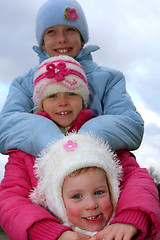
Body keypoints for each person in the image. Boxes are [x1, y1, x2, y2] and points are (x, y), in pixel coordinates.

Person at [0, 55, 159, 240]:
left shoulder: (101, 140)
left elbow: (137, 179)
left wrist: (131, 218)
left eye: (71, 94)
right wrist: (51, 233)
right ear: (40, 103)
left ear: (84, 100)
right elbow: (10, 199)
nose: (63, 102)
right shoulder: (24, 152)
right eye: (52, 95)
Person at [0, 0, 144, 159]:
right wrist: (54, 144)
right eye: (51, 32)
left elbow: (132, 125)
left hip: (103, 175)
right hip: (40, 176)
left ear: (82, 39)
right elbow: (4, 128)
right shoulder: (24, 84)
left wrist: (81, 143)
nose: (61, 39)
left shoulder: (110, 79)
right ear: (42, 43)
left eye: (70, 30)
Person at [30, 132, 122, 237]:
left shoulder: (128, 232)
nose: (91, 205)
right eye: (77, 196)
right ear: (58, 203)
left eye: (99, 192)